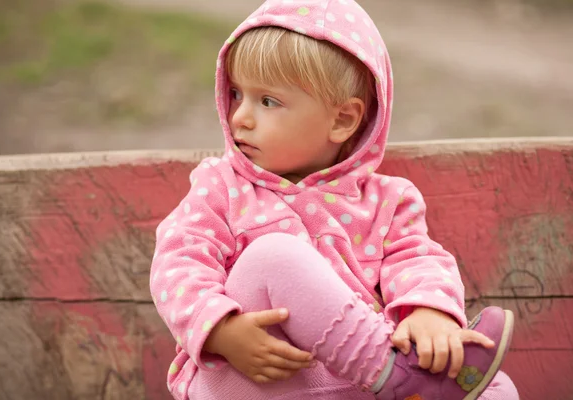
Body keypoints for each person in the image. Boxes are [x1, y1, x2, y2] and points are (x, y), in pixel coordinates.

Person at [150, 0, 519, 399]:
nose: (240, 116)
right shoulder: (222, 186)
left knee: (494, 388)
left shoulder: (387, 201)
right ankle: (396, 375)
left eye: (268, 101)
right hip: (253, 376)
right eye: (237, 93)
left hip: (349, 387)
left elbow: (418, 260)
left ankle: (400, 377)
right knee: (274, 256)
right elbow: (179, 262)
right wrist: (221, 330)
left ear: (342, 120)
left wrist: (429, 313)